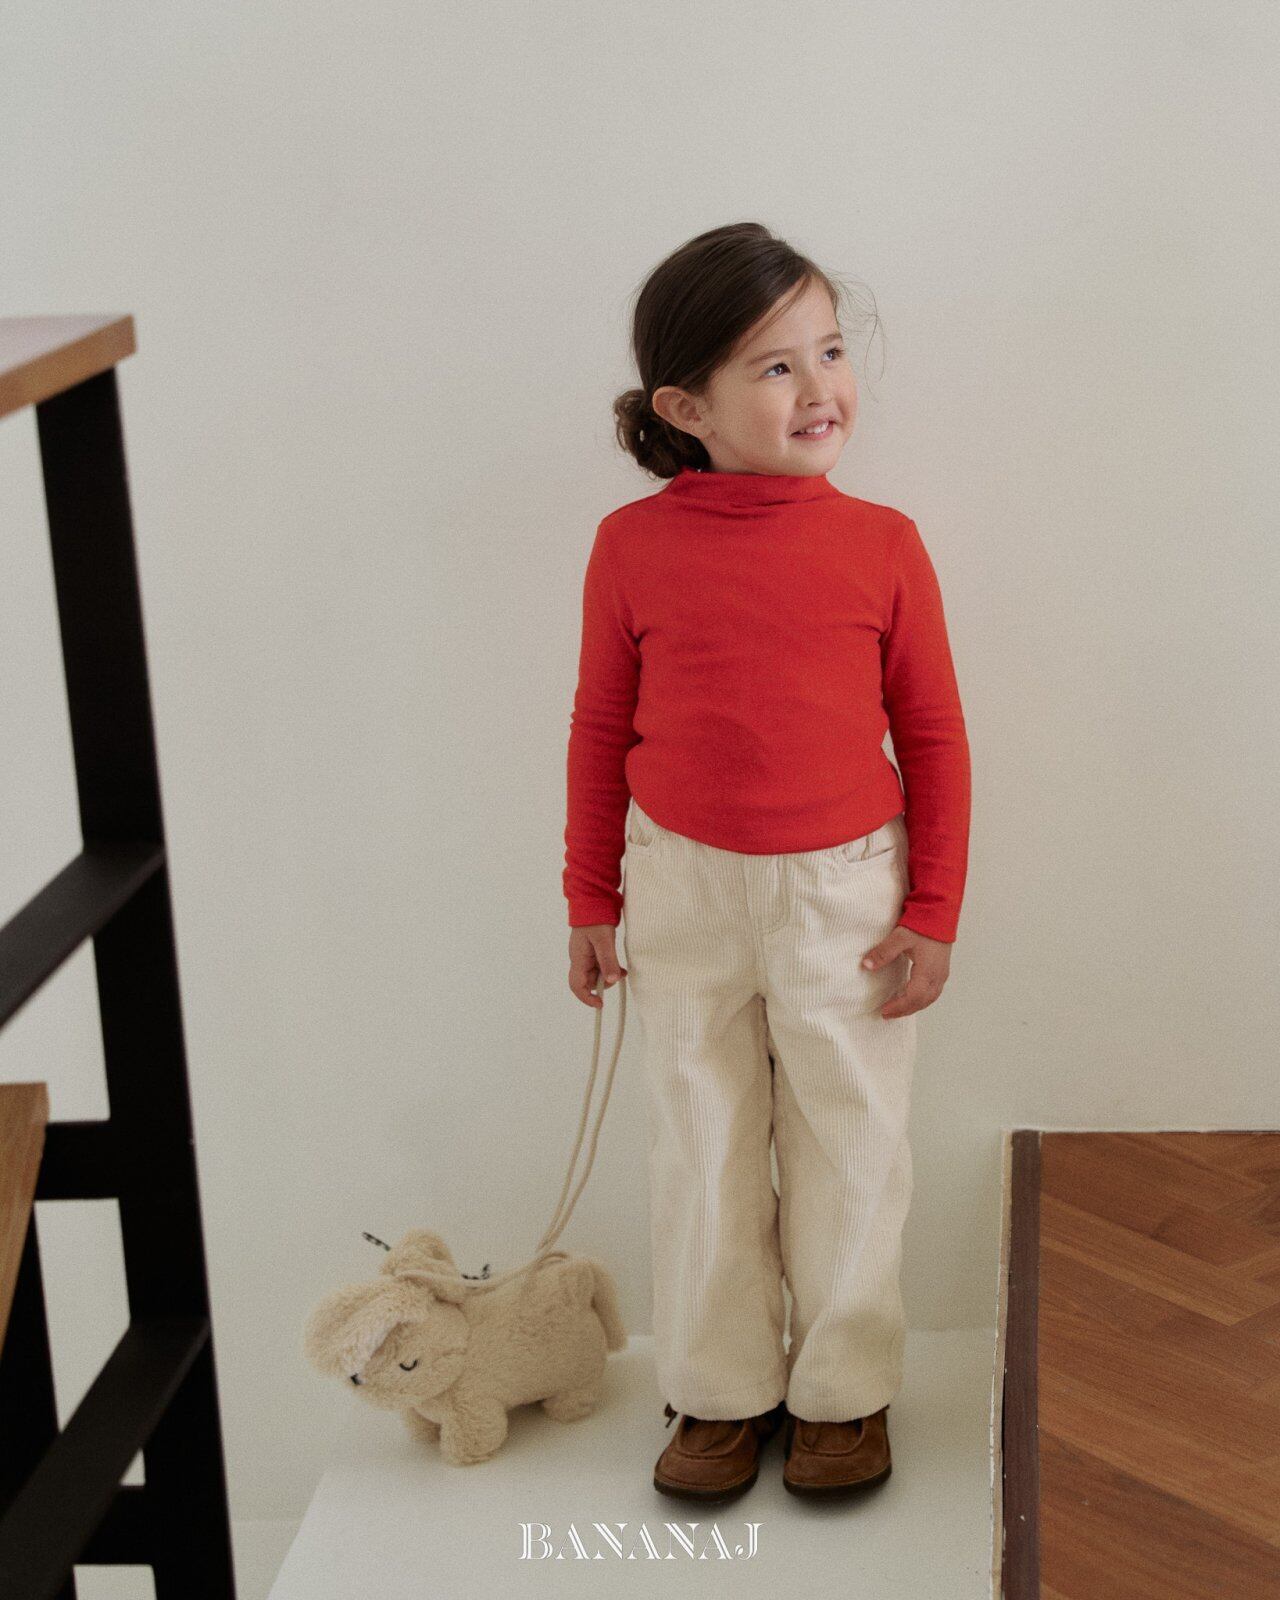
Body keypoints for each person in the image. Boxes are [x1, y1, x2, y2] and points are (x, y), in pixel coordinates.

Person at [561, 222, 971, 1503]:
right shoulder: (631, 546)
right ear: (685, 407)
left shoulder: (883, 542)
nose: (818, 387)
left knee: (852, 1139)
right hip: (679, 885)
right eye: (775, 366)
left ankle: (843, 1390)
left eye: (829, 352)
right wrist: (588, 893)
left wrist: (934, 906)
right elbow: (598, 725)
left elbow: (933, 732)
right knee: (700, 1135)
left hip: (849, 893)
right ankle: (716, 1385)